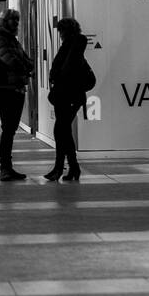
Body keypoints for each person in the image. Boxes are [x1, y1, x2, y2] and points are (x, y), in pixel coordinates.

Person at [0, 8, 34, 181]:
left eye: (17, 20)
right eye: (13, 20)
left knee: (10, 129)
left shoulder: (11, 40)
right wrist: (25, 66)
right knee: (8, 129)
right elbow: (12, 61)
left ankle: (7, 167)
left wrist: (26, 64)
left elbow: (25, 59)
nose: (16, 24)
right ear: (5, 22)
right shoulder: (1, 39)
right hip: (7, 89)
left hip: (17, 87)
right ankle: (5, 168)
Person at [45, 17, 90, 181]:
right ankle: (73, 168)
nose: (60, 34)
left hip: (69, 95)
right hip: (65, 95)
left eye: (61, 31)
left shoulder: (76, 42)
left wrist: (57, 77)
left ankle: (60, 168)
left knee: (60, 130)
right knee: (64, 131)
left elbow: (67, 67)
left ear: (65, 31)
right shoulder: (69, 44)